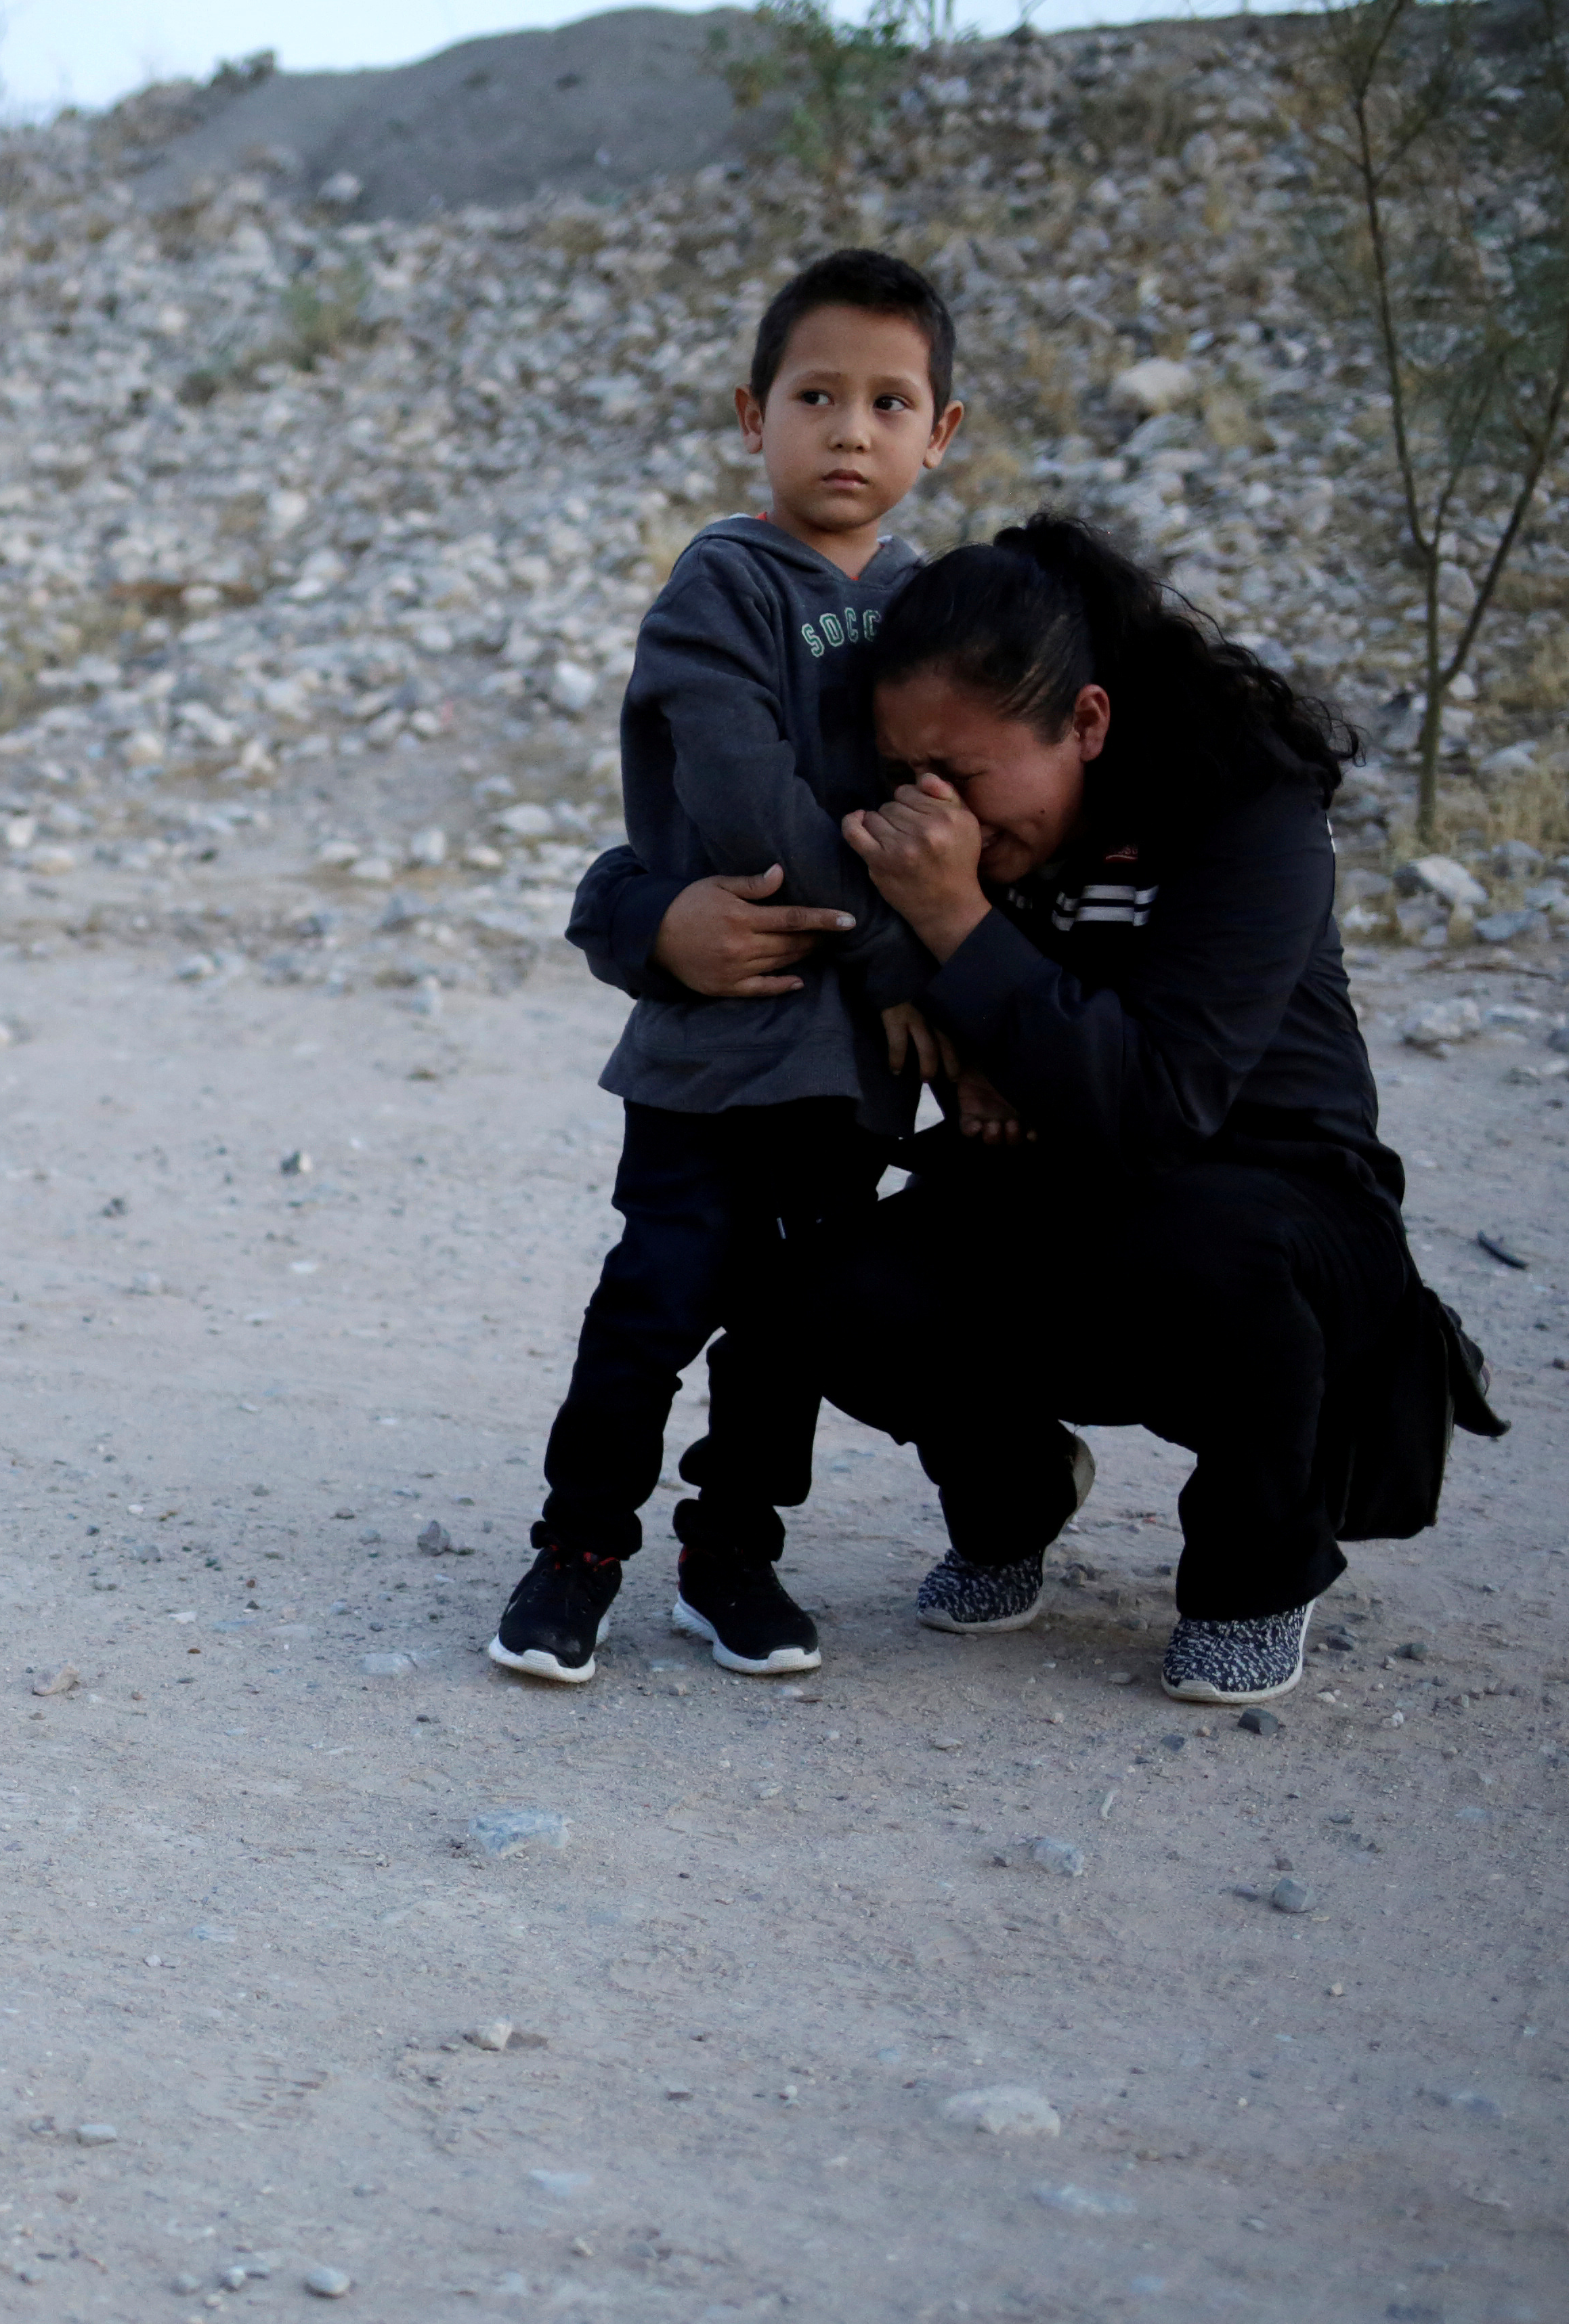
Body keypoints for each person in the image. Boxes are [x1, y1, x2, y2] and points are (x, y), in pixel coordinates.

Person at [801, 514, 1495, 1702]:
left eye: (962, 778)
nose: (936, 819)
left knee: (1204, 1239)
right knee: (843, 1283)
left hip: (1284, 1216)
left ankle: (1257, 1573)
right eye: (906, 781)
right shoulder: (950, 837)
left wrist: (961, 929)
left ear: (1087, 722)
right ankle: (1014, 1496)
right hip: (1065, 1196)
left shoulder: (1248, 811)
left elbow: (1161, 1105)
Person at [486, 249, 966, 1687]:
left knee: (784, 1333)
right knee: (658, 1295)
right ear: (753, 413)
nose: (851, 431)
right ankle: (577, 1550)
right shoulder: (721, 588)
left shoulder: (943, 603)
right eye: (817, 396)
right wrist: (906, 951)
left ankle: (733, 1556)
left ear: (940, 435)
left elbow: (961, 803)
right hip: (717, 1044)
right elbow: (757, 812)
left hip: (850, 1076)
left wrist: (934, 969)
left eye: (891, 403)